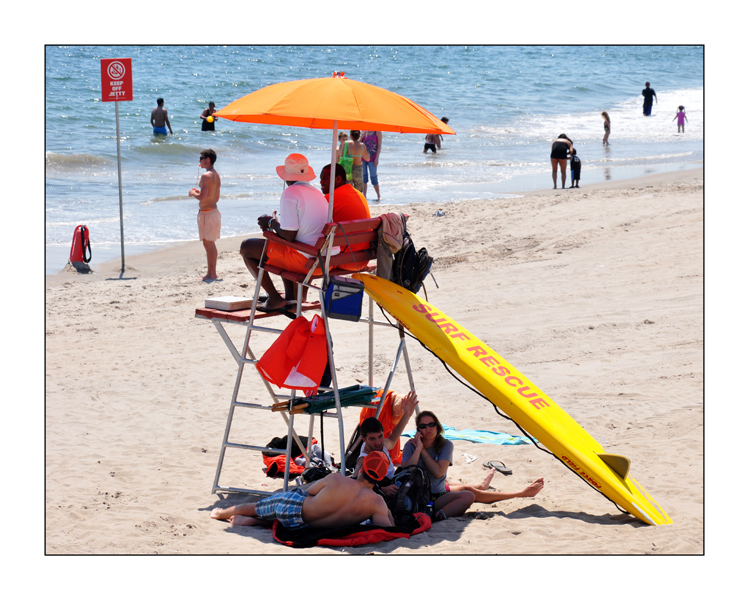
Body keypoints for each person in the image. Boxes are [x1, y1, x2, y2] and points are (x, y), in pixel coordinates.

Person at [239, 153, 332, 311]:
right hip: (324, 261)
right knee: (281, 244)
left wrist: (271, 223)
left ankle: (274, 298)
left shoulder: (291, 193)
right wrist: (276, 226)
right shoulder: (317, 193)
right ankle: (291, 297)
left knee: (246, 247)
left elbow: (289, 235)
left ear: (287, 176)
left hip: (306, 261)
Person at [210, 451, 395, 529]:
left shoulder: (337, 479)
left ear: (361, 469)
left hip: (294, 511)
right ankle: (256, 522)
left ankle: (222, 514)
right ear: (381, 478)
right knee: (300, 521)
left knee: (257, 506)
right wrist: (385, 510)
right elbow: (388, 529)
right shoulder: (377, 502)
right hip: (309, 528)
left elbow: (310, 492)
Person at [400, 410, 475, 521]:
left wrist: (423, 450)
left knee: (469, 495)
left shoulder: (446, 445)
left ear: (437, 426)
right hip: (415, 495)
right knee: (469, 491)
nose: (428, 429)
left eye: (431, 424)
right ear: (418, 430)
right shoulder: (411, 445)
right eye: (423, 426)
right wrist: (417, 449)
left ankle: (436, 516)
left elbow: (438, 473)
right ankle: (431, 513)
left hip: (437, 494)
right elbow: (408, 470)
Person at [353, 391, 419, 497]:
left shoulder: (379, 444)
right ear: (364, 439)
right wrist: (382, 489)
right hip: (385, 488)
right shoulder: (364, 458)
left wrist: (407, 414)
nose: (378, 442)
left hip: (394, 480)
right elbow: (357, 483)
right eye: (372, 439)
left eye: (380, 436)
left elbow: (392, 441)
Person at [189, 149, 221, 281]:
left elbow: (202, 197)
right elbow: (216, 198)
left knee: (209, 244)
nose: (199, 160)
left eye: (201, 158)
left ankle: (211, 274)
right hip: (213, 212)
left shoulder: (206, 175)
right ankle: (212, 272)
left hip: (208, 214)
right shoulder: (216, 174)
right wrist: (199, 193)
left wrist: (192, 193)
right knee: (210, 243)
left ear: (208, 159)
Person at [361, 130, 382, 200]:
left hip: (373, 159)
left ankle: (378, 195)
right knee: (364, 177)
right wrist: (362, 136)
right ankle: (364, 195)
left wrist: (377, 158)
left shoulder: (378, 132)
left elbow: (379, 146)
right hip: (363, 158)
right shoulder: (364, 131)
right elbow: (359, 143)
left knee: (373, 177)